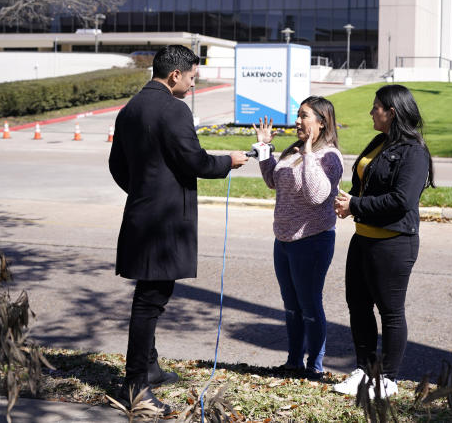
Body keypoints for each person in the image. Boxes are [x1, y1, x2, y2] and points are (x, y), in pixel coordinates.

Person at [109, 45, 248, 413]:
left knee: (151, 295)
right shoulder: (175, 109)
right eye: (191, 77)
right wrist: (229, 161)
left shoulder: (130, 109)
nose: (192, 84)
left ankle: (149, 367)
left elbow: (117, 166)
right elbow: (196, 160)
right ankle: (135, 386)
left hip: (141, 214)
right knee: (150, 301)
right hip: (165, 221)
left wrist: (144, 191)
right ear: (175, 75)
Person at [332, 84, 435, 399]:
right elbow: (366, 180)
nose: (370, 111)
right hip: (363, 239)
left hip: (393, 243)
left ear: (392, 112)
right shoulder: (380, 141)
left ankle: (387, 379)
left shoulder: (414, 152)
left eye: (376, 107)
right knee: (358, 306)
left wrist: (357, 206)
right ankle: (364, 371)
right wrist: (351, 202)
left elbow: (402, 200)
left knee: (390, 312)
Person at [253, 96, 343, 380]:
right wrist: (265, 148)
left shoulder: (329, 156)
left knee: (309, 304)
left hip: (313, 239)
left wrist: (308, 156)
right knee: (291, 305)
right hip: (284, 239)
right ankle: (294, 362)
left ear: (321, 122)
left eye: (304, 116)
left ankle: (314, 366)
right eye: (298, 115)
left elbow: (318, 196)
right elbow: (272, 180)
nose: (297, 121)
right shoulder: (293, 150)